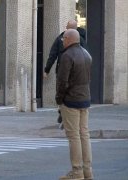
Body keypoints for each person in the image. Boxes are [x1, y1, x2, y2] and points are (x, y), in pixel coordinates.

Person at [56, 29, 93, 180]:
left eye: (63, 38)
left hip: (71, 100)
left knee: (74, 136)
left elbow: (62, 82)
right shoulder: (86, 54)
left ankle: (77, 172)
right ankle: (87, 171)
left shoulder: (67, 56)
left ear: (70, 39)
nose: (62, 41)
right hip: (85, 99)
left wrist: (59, 99)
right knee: (84, 135)